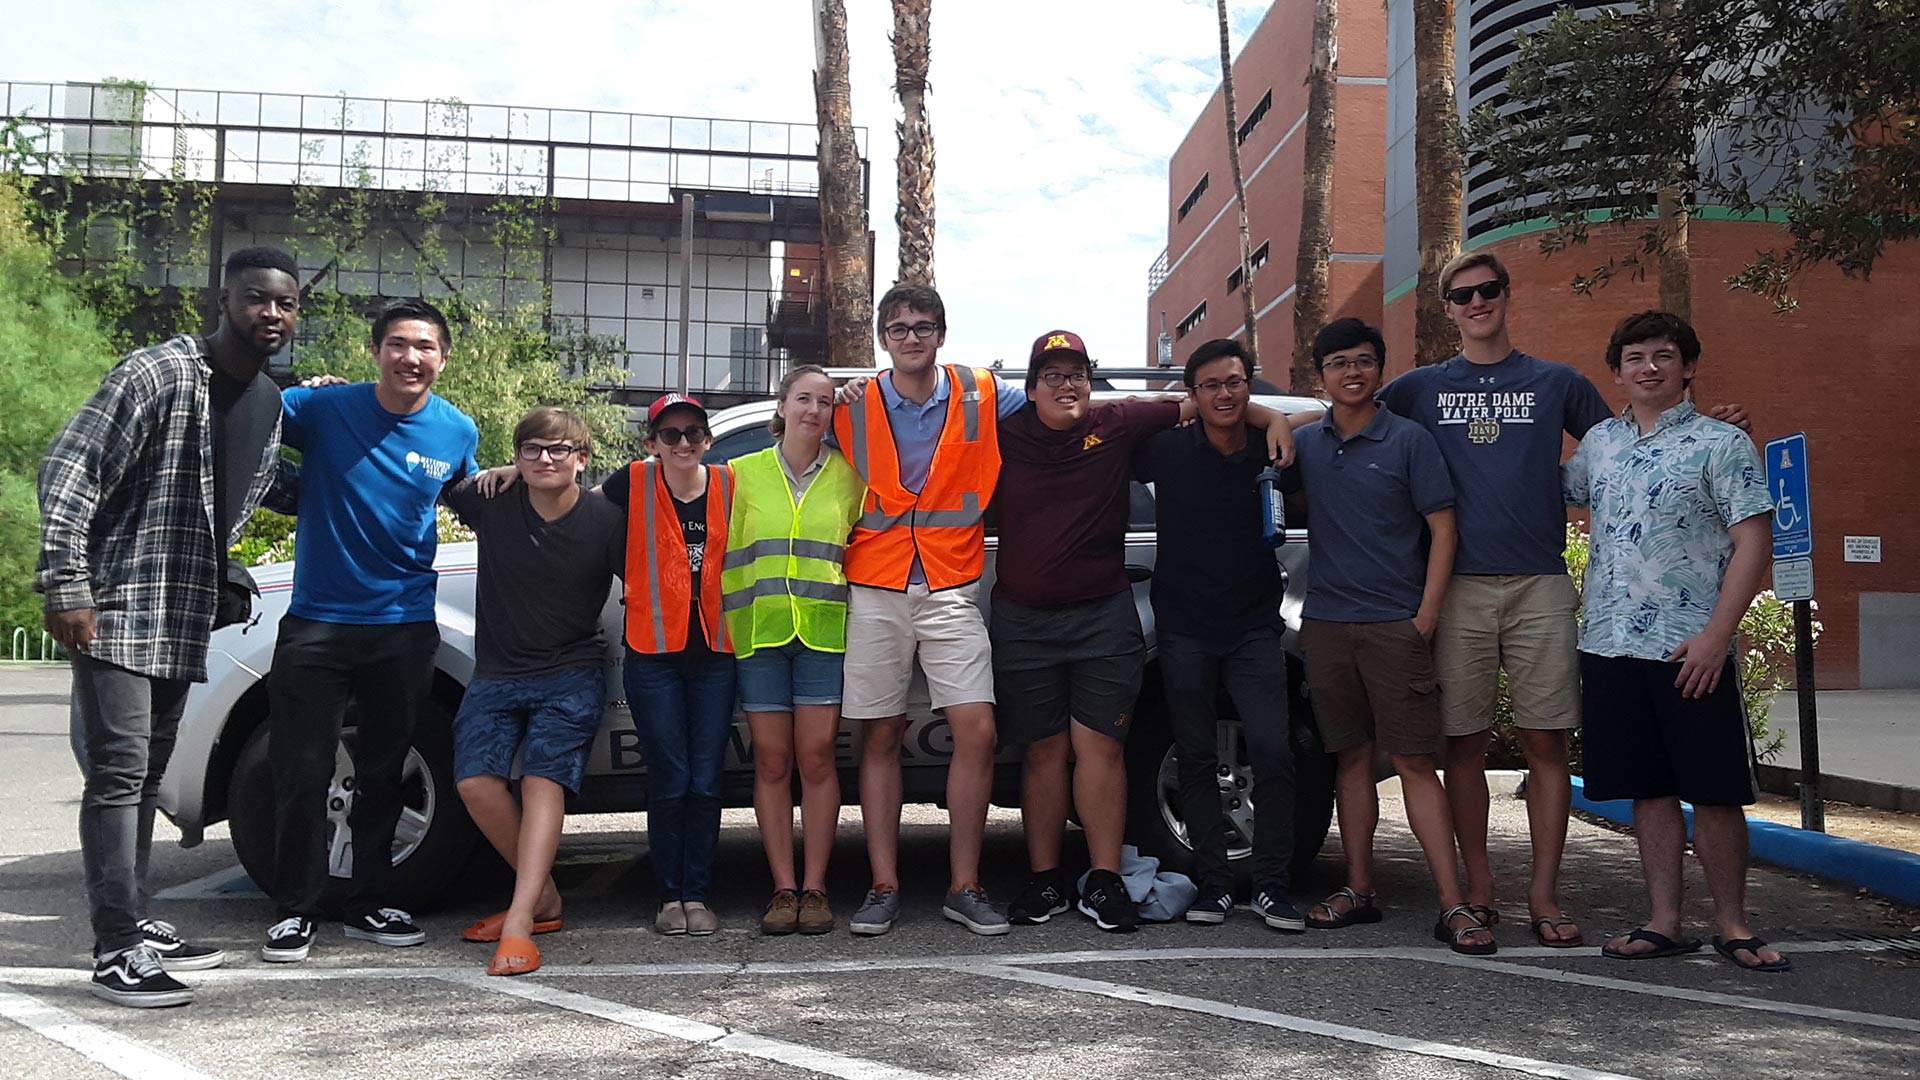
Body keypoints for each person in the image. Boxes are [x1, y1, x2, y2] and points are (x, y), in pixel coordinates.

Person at [1375, 251, 1748, 947]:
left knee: (1547, 741)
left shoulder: (1558, 383)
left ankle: (1545, 896)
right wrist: (1266, 424)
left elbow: (1632, 447)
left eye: (1488, 290)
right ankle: (1480, 888)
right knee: (1465, 744)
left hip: (1541, 584)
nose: (1477, 302)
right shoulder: (1418, 390)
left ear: (1506, 296)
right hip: (1456, 587)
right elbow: (1351, 422)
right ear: (1447, 308)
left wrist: (1714, 424)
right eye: (1462, 295)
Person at [38, 247, 299, 1006]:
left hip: (182, 616)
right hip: (117, 603)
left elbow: (255, 493)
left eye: (284, 303)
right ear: (225, 302)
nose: (271, 314)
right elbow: (71, 465)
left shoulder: (266, 404)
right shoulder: (156, 373)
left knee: (146, 779)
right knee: (119, 776)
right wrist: (65, 585)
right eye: (257, 299)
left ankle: (134, 917)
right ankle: (116, 949)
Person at [995, 331, 1297, 933]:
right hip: (1025, 618)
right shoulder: (1002, 432)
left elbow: (1210, 400)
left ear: (1090, 379)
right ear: (1029, 389)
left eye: (1076, 372)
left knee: (1101, 749)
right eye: (1051, 375)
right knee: (1045, 751)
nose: (1065, 384)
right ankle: (1046, 878)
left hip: (1106, 612)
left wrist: (1271, 416)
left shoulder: (1118, 422)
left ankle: (1105, 880)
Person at [1564, 311, 1785, 973]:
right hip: (1608, 645)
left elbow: (1754, 540)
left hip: (1691, 648)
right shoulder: (1599, 444)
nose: (1649, 367)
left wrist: (1718, 635)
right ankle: (1665, 922)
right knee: (1649, 791)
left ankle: (1734, 925)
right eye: (1635, 357)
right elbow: (1542, 494)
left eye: (1664, 355)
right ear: (1617, 372)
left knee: (1715, 792)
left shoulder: (1722, 443)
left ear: (1687, 366)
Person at [261, 299, 480, 964]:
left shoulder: (456, 431)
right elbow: (249, 416)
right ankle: (295, 909)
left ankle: (370, 902)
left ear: (443, 358)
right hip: (318, 624)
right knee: (301, 771)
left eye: (425, 347)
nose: (411, 357)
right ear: (376, 351)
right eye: (398, 345)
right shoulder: (323, 410)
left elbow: (470, 499)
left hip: (405, 626)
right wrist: (292, 396)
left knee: (385, 773)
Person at [832, 283, 1027, 937]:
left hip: (950, 586)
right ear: (883, 340)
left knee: (977, 731)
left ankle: (964, 885)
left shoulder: (986, 393)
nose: (911, 337)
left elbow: (1071, 408)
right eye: (898, 328)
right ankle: (883, 885)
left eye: (923, 326)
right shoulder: (848, 407)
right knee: (879, 736)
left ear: (942, 334)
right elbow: (782, 446)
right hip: (878, 587)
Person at [1295, 319, 1493, 955]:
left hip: (1394, 624)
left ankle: (1453, 904)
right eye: (1338, 364)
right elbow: (1254, 428)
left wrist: (1426, 614)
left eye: (1363, 362)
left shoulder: (1409, 440)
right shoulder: (1307, 444)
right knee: (1350, 760)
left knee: (1412, 762)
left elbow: (1444, 529)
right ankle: (1358, 888)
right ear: (1319, 375)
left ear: (1379, 370)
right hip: (1325, 624)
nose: (1351, 373)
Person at [442, 407, 625, 976]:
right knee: (475, 782)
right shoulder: (489, 502)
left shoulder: (606, 519)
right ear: (517, 457)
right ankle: (541, 894)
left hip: (572, 670)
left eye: (559, 449)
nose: (546, 459)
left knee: (543, 780)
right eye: (532, 450)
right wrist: (497, 469)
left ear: (583, 459)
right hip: (497, 672)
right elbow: (435, 479)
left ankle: (521, 923)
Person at [1133, 337, 1303, 932]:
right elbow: (1115, 427)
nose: (1224, 394)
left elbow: (1324, 413)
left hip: (1255, 628)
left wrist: (1273, 415)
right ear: (1192, 396)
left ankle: (1275, 887)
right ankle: (1214, 883)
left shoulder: (1272, 445)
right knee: (1196, 757)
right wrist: (1182, 406)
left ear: (1248, 384)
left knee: (1275, 752)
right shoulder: (1168, 450)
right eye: (1210, 386)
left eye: (1235, 382)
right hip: (1182, 629)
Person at [721, 365, 866, 936]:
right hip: (758, 633)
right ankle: (783, 888)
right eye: (802, 399)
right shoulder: (738, 473)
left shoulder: (852, 478)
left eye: (825, 402)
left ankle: (817, 887)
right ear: (780, 407)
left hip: (823, 633)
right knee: (774, 762)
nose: (813, 410)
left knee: (818, 759)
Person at [600, 394, 737, 937]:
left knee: (705, 780)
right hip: (652, 653)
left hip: (716, 654)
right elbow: (568, 502)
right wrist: (506, 473)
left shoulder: (730, 484)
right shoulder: (631, 482)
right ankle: (668, 897)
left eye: (692, 433)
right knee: (670, 777)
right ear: (651, 442)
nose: (683, 443)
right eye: (670, 433)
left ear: (707, 439)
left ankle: (696, 893)